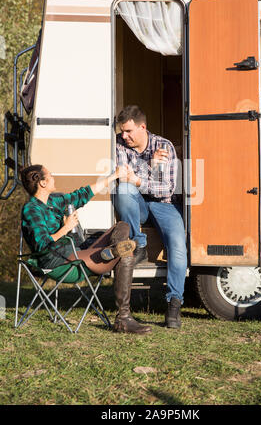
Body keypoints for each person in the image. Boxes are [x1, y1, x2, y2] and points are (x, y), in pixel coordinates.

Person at [20, 164, 152, 335]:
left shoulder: (54, 201)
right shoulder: (31, 209)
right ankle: (123, 319)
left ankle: (111, 251)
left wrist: (113, 176)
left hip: (77, 253)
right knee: (126, 255)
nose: (53, 177)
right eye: (50, 175)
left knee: (122, 226)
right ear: (43, 183)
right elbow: (41, 244)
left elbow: (82, 194)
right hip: (60, 262)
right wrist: (65, 228)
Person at [114, 105, 187, 329]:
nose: (124, 136)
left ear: (142, 127)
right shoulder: (118, 143)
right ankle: (140, 243)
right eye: (122, 131)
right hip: (139, 202)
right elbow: (124, 179)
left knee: (177, 245)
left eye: (128, 131)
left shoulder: (163, 146)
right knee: (123, 191)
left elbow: (167, 189)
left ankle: (174, 303)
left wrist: (139, 177)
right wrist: (151, 167)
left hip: (165, 205)